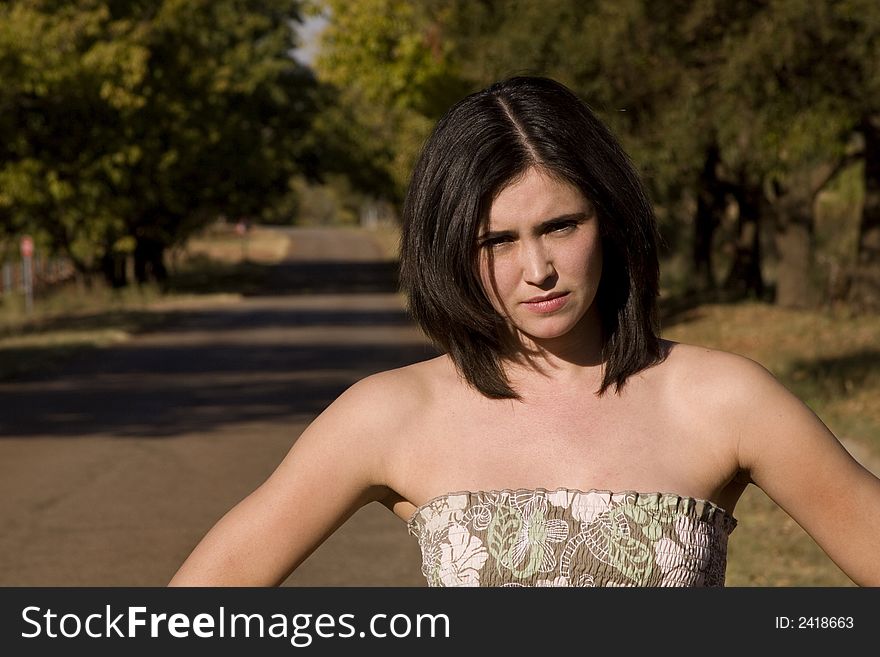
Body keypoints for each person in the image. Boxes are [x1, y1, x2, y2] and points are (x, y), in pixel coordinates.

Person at [169, 76, 880, 587]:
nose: (537, 267)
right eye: (496, 241)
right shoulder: (390, 414)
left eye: (561, 225)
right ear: (450, 250)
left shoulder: (722, 398)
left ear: (609, 219)